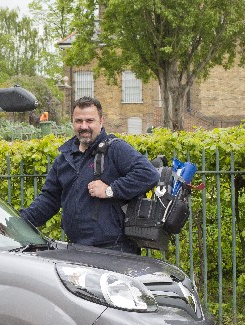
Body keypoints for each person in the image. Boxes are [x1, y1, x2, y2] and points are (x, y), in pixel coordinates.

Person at [20, 96, 159, 253]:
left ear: (101, 121)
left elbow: (149, 174)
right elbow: (49, 199)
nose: (84, 126)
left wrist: (110, 190)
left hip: (116, 249)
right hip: (78, 249)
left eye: (89, 120)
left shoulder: (115, 149)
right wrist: (17, 223)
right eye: (79, 121)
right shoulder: (65, 158)